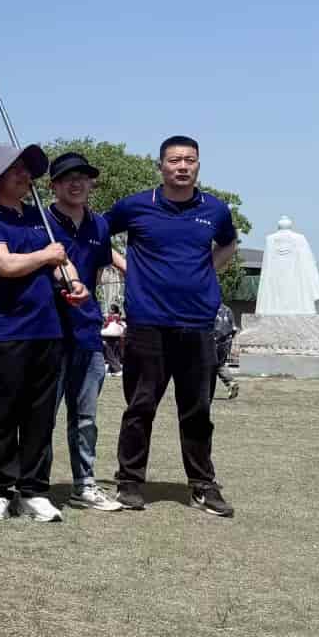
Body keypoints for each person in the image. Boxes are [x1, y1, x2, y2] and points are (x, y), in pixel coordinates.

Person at [106, 135, 238, 518]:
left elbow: (228, 244)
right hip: (148, 323)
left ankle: (202, 485)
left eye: (190, 160)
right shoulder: (134, 206)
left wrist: (206, 270)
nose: (182, 167)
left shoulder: (215, 209)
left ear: (198, 165)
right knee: (140, 407)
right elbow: (96, 236)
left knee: (197, 410)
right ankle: (130, 482)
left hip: (198, 324)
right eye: (175, 160)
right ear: (161, 166)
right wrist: (127, 268)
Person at [0, 143, 82, 523]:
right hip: (4, 331)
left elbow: (62, 261)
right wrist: (48, 256)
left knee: (40, 417)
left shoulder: (39, 217)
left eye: (27, 169)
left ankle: (34, 490)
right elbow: (5, 264)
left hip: (47, 329)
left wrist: (74, 281)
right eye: (14, 169)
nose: (24, 175)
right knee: (1, 415)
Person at [43, 151, 124, 512]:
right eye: (67, 178)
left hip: (87, 332)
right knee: (43, 416)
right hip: (48, 331)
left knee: (86, 417)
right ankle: (35, 485)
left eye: (82, 177)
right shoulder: (40, 222)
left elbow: (105, 266)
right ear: (53, 185)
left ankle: (85, 485)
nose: (76, 183)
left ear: (91, 182)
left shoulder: (100, 225)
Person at [211, 303, 241, 400]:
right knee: (220, 365)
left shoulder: (208, 307)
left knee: (207, 366)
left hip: (213, 342)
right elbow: (234, 329)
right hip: (225, 343)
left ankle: (203, 392)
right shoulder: (227, 309)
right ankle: (231, 382)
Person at [101, 307, 126, 374]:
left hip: (112, 336)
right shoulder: (115, 317)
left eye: (111, 309)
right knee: (112, 353)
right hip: (114, 336)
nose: (109, 310)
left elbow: (107, 325)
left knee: (109, 352)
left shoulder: (113, 317)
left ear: (114, 311)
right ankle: (112, 369)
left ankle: (117, 369)